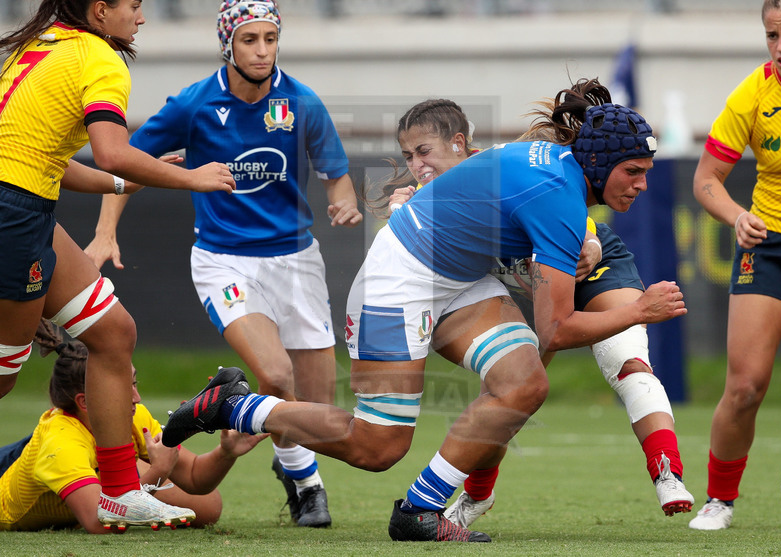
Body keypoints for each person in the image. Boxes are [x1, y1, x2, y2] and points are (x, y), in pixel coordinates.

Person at [161, 79, 688, 543]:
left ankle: (420, 509)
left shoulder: (561, 178)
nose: (641, 184)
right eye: (634, 171)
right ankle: (232, 406)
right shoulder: (560, 196)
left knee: (524, 381)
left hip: (455, 280)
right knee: (377, 446)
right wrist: (638, 310)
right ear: (599, 163)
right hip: (397, 283)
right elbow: (557, 328)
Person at [84, 0, 362, 528]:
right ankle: (306, 484)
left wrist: (343, 201)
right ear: (227, 44)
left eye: (270, 39)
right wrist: (104, 232)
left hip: (297, 260)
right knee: (276, 377)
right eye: (250, 40)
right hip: (224, 261)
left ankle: (268, 442)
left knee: (318, 409)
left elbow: (337, 174)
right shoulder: (193, 104)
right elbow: (123, 163)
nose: (262, 50)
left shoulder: (301, 101)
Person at [371, 97, 692, 528]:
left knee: (627, 358)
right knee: (515, 391)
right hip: (531, 279)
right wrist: (402, 211)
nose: (418, 164)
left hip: (587, 263)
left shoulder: (505, 170)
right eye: (409, 156)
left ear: (461, 145)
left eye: (425, 151)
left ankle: (666, 468)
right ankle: (476, 495)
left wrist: (594, 248)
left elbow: (568, 214)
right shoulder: (430, 200)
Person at [0, 0, 236, 530]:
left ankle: (121, 491)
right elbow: (112, 152)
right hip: (13, 212)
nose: (142, 17)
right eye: (133, 5)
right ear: (100, 10)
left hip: (25, 205)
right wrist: (192, 178)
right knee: (2, 377)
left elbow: (53, 165)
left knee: (112, 331)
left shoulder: (45, 43)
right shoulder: (98, 57)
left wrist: (132, 180)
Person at [688, 0, 781, 531]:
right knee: (746, 386)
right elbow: (706, 179)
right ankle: (720, 500)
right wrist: (736, 217)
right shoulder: (752, 95)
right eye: (773, 35)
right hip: (769, 243)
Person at [0, 319, 268, 533]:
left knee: (207, 507)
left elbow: (196, 477)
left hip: (63, 452)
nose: (137, 398)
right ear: (85, 401)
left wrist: (226, 453)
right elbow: (97, 523)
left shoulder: (133, 415)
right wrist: (159, 470)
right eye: (123, 388)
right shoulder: (61, 445)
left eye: (134, 383)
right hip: (18, 470)